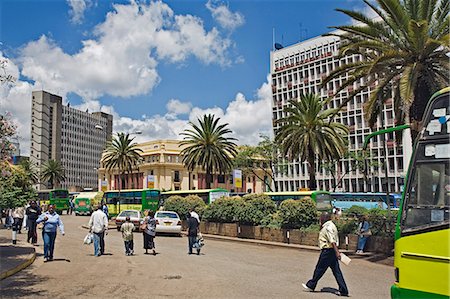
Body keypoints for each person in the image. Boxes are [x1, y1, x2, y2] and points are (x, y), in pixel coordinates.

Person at [302, 212, 349, 297]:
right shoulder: (331, 225)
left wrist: (337, 252)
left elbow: (332, 241)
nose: (320, 219)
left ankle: (311, 285)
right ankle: (344, 290)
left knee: (319, 269)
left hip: (327, 251)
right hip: (331, 251)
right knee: (336, 271)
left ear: (324, 218)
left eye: (321, 217)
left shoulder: (327, 227)